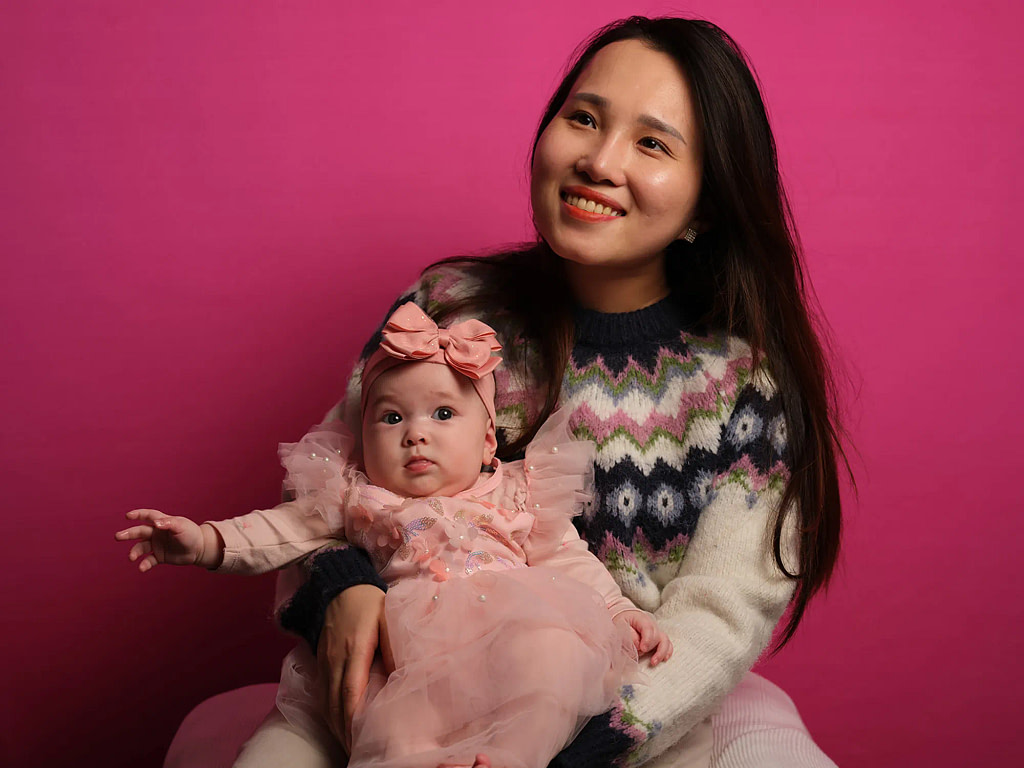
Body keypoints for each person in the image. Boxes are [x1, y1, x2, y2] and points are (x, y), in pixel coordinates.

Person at [184, 14, 847, 768]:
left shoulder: (739, 380)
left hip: (630, 712)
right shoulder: (447, 305)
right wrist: (340, 589)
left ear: (707, 206)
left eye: (652, 142)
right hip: (404, 684)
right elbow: (327, 486)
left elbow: (719, 613)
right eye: (584, 118)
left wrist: (577, 749)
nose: (599, 160)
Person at [117, 303, 673, 768]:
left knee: (552, 655)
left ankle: (511, 757)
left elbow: (566, 555)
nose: (416, 435)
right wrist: (205, 543)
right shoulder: (358, 496)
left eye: (443, 413)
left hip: (510, 627)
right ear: (361, 439)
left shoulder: (514, 491)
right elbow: (280, 530)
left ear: (487, 444)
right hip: (405, 648)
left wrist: (619, 610)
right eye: (391, 419)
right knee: (385, 710)